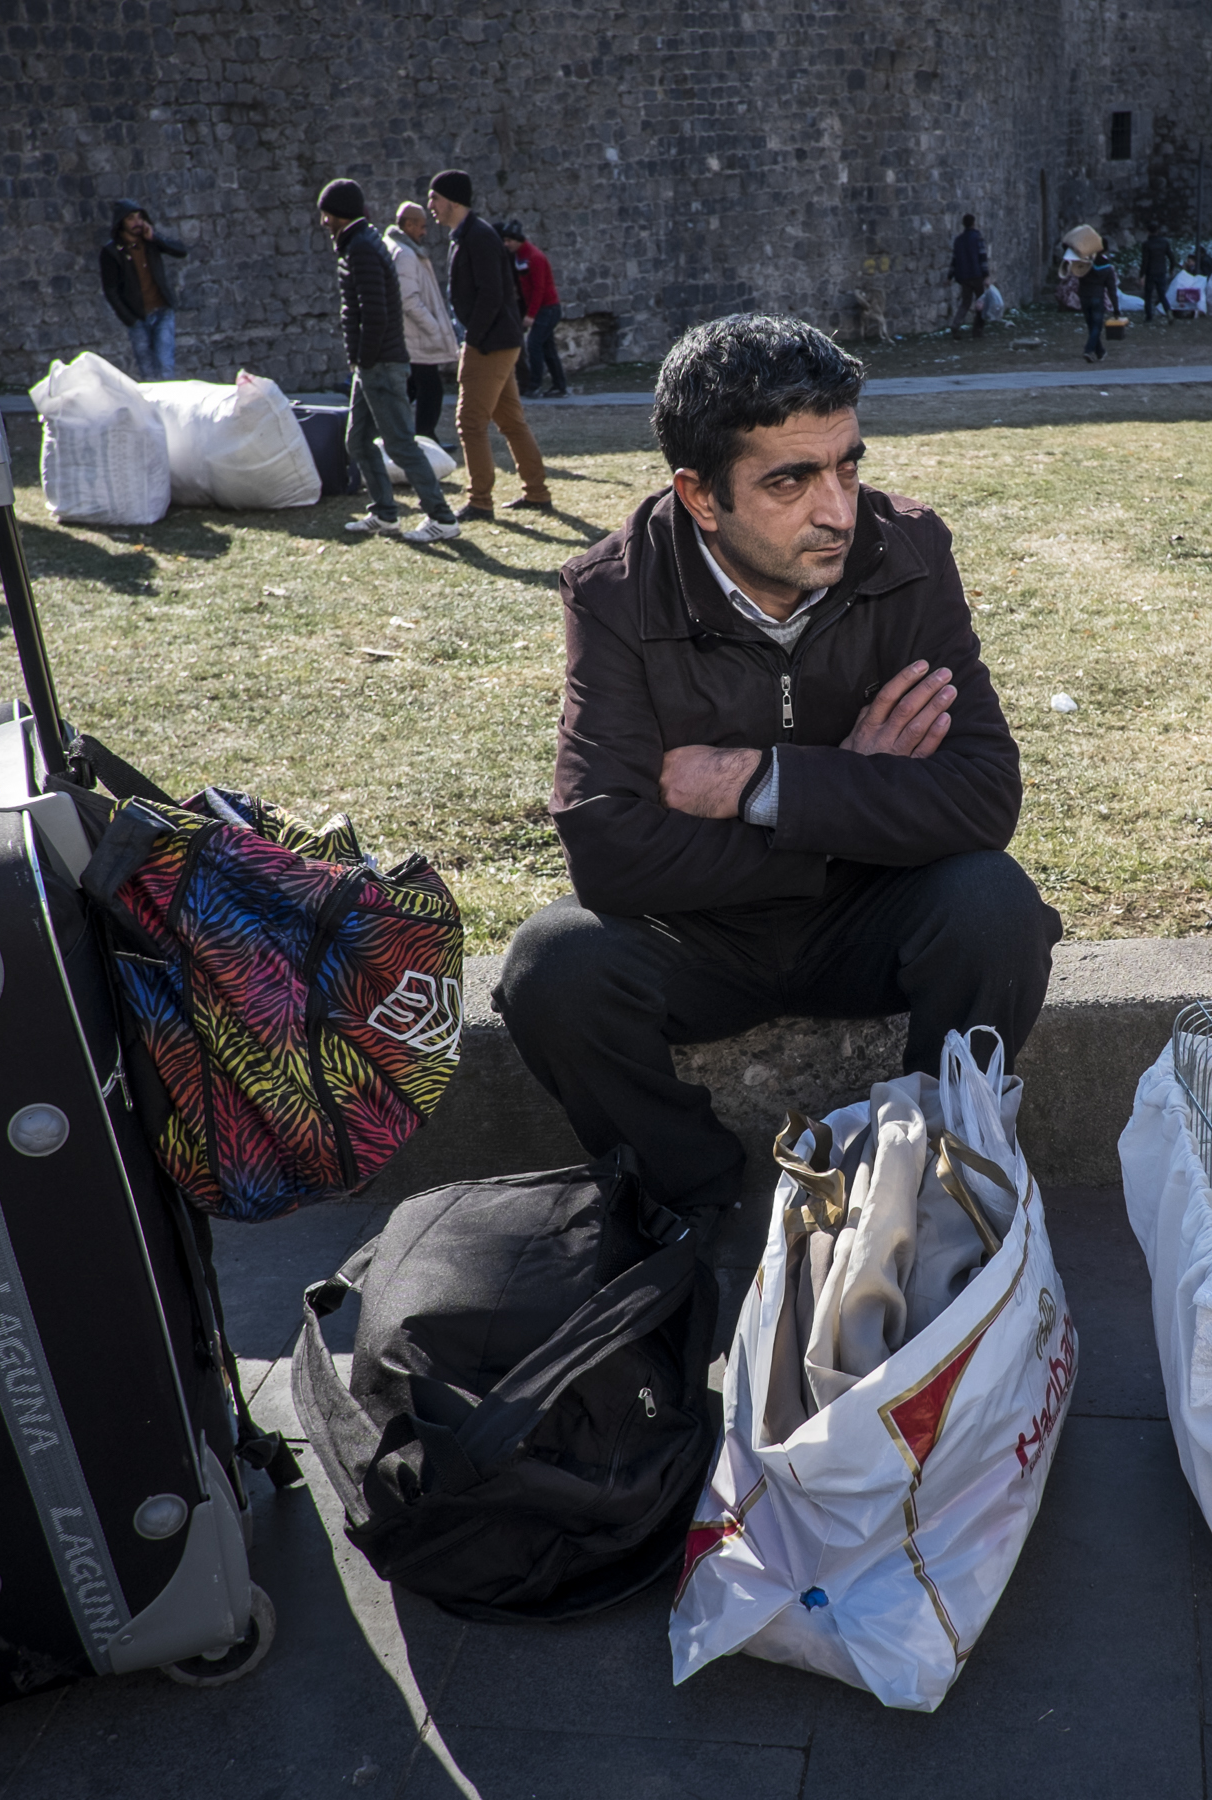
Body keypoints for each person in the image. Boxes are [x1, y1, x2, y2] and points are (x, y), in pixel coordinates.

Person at [495, 313, 1060, 1306]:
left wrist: (767, 785)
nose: (838, 509)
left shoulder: (910, 552)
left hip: (868, 922)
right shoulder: (616, 592)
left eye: (847, 465)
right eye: (790, 481)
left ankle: (931, 1186)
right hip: (698, 940)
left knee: (994, 907)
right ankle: (699, 1208)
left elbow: (982, 795)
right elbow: (610, 851)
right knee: (553, 967)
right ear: (700, 497)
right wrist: (855, 793)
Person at [317, 179, 459, 544]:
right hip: (371, 364)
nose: (323, 222)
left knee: (399, 444)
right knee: (359, 441)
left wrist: (364, 360)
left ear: (338, 214)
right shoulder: (359, 243)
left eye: (326, 214)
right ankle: (384, 513)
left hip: (379, 363)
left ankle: (442, 518)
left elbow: (375, 313)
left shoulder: (362, 248)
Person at [428, 170, 552, 517]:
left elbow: (492, 294)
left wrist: (474, 338)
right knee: (511, 420)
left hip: (490, 343)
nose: (430, 205)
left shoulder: (478, 236)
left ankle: (479, 501)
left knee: (469, 422)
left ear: (453, 201)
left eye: (434, 198)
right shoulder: (465, 235)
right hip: (497, 340)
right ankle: (538, 493)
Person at [389, 202, 462, 448]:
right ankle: (425, 440)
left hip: (410, 337)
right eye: (420, 226)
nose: (424, 231)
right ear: (408, 225)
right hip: (416, 337)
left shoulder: (401, 249)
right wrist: (434, 328)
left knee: (411, 388)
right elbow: (408, 299)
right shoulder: (406, 254)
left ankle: (404, 436)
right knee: (430, 389)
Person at [99, 201, 186, 380]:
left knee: (165, 366)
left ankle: (167, 407)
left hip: (162, 311)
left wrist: (156, 238)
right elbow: (111, 290)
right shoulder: (111, 252)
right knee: (148, 372)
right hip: (138, 317)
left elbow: (181, 250)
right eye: (131, 219)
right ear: (121, 222)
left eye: (139, 217)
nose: (136, 222)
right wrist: (130, 319)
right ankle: (153, 407)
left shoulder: (150, 242)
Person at [500, 221, 566, 397]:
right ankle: (560, 386)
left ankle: (534, 385)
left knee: (534, 344)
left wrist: (530, 315)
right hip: (543, 308)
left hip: (548, 308)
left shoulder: (534, 257)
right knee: (547, 347)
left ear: (518, 240)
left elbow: (539, 289)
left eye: (509, 241)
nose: (506, 244)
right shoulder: (519, 257)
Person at [947, 213, 990, 335]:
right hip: (977, 275)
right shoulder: (977, 238)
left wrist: (949, 277)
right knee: (981, 302)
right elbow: (982, 257)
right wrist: (986, 275)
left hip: (963, 277)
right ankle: (978, 328)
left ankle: (956, 324)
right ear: (973, 223)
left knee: (965, 302)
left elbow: (954, 260)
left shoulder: (958, 240)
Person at [1077, 246, 1121, 362]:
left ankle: (1100, 352)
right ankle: (1088, 350)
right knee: (1097, 326)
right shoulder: (1107, 266)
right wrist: (1116, 308)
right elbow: (1112, 290)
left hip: (1084, 296)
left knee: (1091, 326)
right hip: (1097, 297)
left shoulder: (1085, 262)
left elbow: (1078, 275)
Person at [1140, 226, 1173, 324]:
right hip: (1161, 271)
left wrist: (1142, 275)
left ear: (1148, 231)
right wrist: (1171, 268)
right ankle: (1168, 311)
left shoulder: (1146, 244)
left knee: (1148, 295)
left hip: (1150, 272)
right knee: (1162, 294)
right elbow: (1171, 257)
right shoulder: (1164, 242)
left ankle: (1149, 316)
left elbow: (1145, 261)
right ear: (1157, 231)